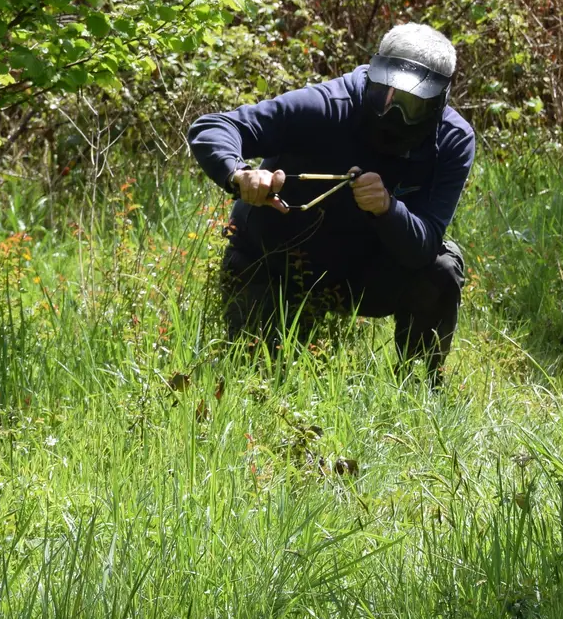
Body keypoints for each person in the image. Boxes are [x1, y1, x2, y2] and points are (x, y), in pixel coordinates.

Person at [187, 24, 474, 384]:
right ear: (373, 74)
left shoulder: (452, 141)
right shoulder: (327, 104)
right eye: (384, 93)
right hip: (274, 264)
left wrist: (388, 209)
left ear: (438, 100)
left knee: (442, 267)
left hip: (362, 275)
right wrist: (240, 174)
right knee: (252, 381)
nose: (392, 112)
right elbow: (214, 127)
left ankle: (417, 390)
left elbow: (424, 246)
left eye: (410, 104)